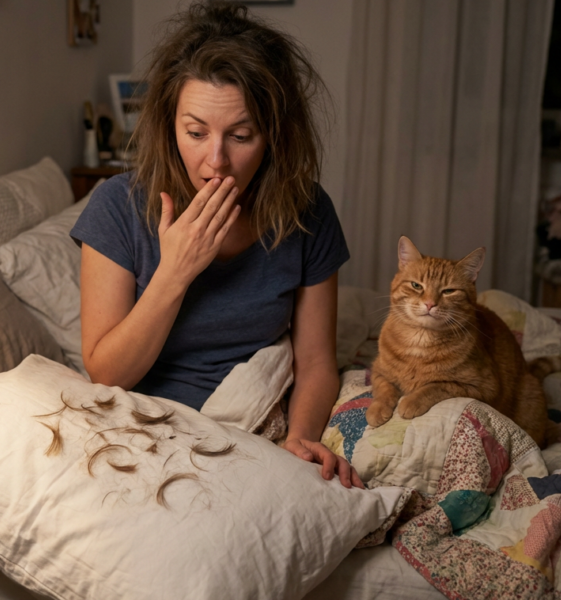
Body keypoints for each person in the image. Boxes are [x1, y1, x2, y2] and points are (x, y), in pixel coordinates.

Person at [70, 1, 361, 488]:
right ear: (169, 126)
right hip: (152, 424)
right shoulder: (117, 207)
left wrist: (300, 438)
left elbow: (315, 363)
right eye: (196, 133)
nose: (217, 160)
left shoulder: (307, 210)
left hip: (258, 417)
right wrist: (175, 272)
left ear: (273, 138)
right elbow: (106, 374)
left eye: (241, 135)